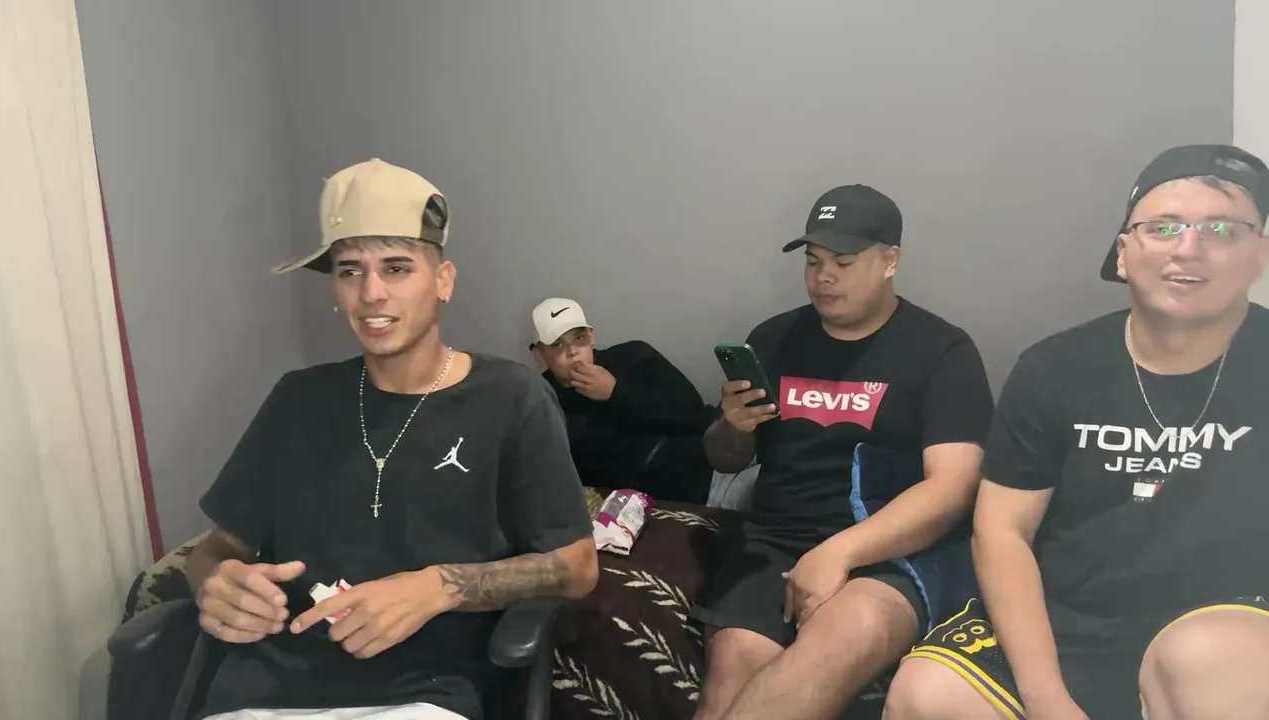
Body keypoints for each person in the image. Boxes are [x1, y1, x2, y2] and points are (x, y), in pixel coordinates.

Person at [183, 158, 599, 720]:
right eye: (350, 271)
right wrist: (214, 583)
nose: (371, 293)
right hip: (261, 696)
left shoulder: (512, 398)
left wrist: (436, 588)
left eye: (397, 268)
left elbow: (577, 566)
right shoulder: (297, 399)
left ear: (443, 280)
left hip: (422, 696)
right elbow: (216, 549)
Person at [883, 144, 1269, 720]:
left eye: (1222, 229)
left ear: (1260, 254)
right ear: (1123, 254)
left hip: (1231, 618)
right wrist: (1046, 698)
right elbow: (1002, 531)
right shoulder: (1054, 368)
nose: (1189, 248)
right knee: (927, 696)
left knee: (1203, 660)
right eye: (1163, 227)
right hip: (1071, 619)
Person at [688, 184, 995, 719]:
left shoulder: (942, 350)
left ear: (890, 260)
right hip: (778, 538)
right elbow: (726, 460)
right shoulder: (774, 338)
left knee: (828, 651)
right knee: (732, 670)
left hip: (891, 547)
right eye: (814, 262)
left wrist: (839, 553)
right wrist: (733, 427)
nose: (823, 277)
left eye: (844, 262)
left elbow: (954, 488)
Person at [530, 297, 715, 504]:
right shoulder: (539, 401)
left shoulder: (635, 357)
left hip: (706, 469)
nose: (572, 351)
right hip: (640, 503)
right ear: (540, 355)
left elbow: (694, 414)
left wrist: (617, 391)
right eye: (557, 344)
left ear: (591, 337)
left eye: (579, 337)